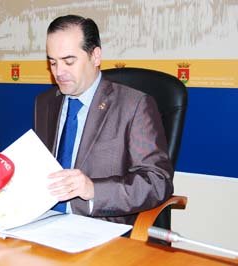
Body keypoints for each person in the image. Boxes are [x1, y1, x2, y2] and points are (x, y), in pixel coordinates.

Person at [34, 14, 173, 226]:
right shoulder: (45, 103)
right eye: (52, 63)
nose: (58, 72)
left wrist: (93, 190)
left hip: (102, 227)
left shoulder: (134, 106)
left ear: (95, 56)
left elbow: (157, 181)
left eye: (69, 61)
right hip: (44, 221)